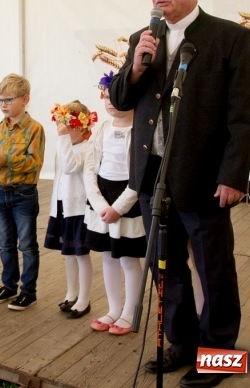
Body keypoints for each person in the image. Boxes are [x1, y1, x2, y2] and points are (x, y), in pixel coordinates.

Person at [109, 0, 250, 387]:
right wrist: (134, 70)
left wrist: (233, 175)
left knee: (213, 268)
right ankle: (181, 341)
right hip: (153, 173)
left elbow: (241, 114)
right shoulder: (143, 39)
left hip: (205, 177)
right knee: (165, 266)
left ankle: (220, 357)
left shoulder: (231, 37)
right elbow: (120, 100)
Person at [83, 73, 146, 335]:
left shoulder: (139, 132)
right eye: (107, 96)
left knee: (128, 259)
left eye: (116, 97)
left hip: (127, 202)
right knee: (108, 257)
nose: (110, 102)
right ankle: (113, 309)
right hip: (102, 200)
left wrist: (118, 208)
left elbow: (139, 177)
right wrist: (99, 204)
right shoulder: (102, 129)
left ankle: (130, 312)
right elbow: (89, 169)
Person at [0, 73, 46, 311]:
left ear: (25, 99)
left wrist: (5, 158)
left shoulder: (34, 129)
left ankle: (28, 291)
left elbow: (35, 162)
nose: (4, 105)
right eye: (0, 100)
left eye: (9, 99)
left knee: (27, 244)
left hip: (23, 195)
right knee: (5, 243)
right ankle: (8, 285)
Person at [45, 99, 97, 320]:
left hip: (78, 208)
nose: (66, 130)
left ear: (83, 127)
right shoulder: (65, 144)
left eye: (71, 126)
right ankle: (71, 292)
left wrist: (63, 138)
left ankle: (84, 298)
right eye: (64, 125)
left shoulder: (88, 148)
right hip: (63, 206)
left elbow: (70, 167)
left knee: (81, 254)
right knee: (68, 254)